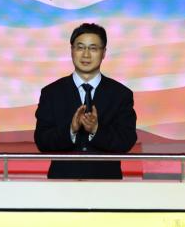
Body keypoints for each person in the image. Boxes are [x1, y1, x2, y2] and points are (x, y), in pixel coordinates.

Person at [34, 23, 137, 179]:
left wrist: (96, 129)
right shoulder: (52, 93)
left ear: (104, 53)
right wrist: (71, 129)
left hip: (107, 183)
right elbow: (42, 141)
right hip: (62, 183)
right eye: (80, 47)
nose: (86, 55)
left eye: (93, 48)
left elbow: (126, 141)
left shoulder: (120, 94)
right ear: (72, 50)